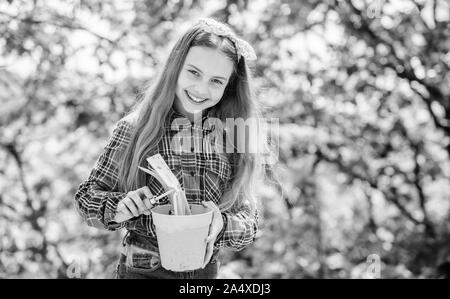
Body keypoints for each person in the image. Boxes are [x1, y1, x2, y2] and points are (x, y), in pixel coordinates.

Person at [74, 18, 271, 279]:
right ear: (175, 67)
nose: (201, 89)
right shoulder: (135, 129)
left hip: (204, 271)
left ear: (228, 87)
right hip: (144, 268)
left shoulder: (232, 135)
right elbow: (87, 201)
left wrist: (222, 224)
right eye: (194, 72)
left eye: (216, 81)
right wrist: (119, 206)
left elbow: (250, 221)